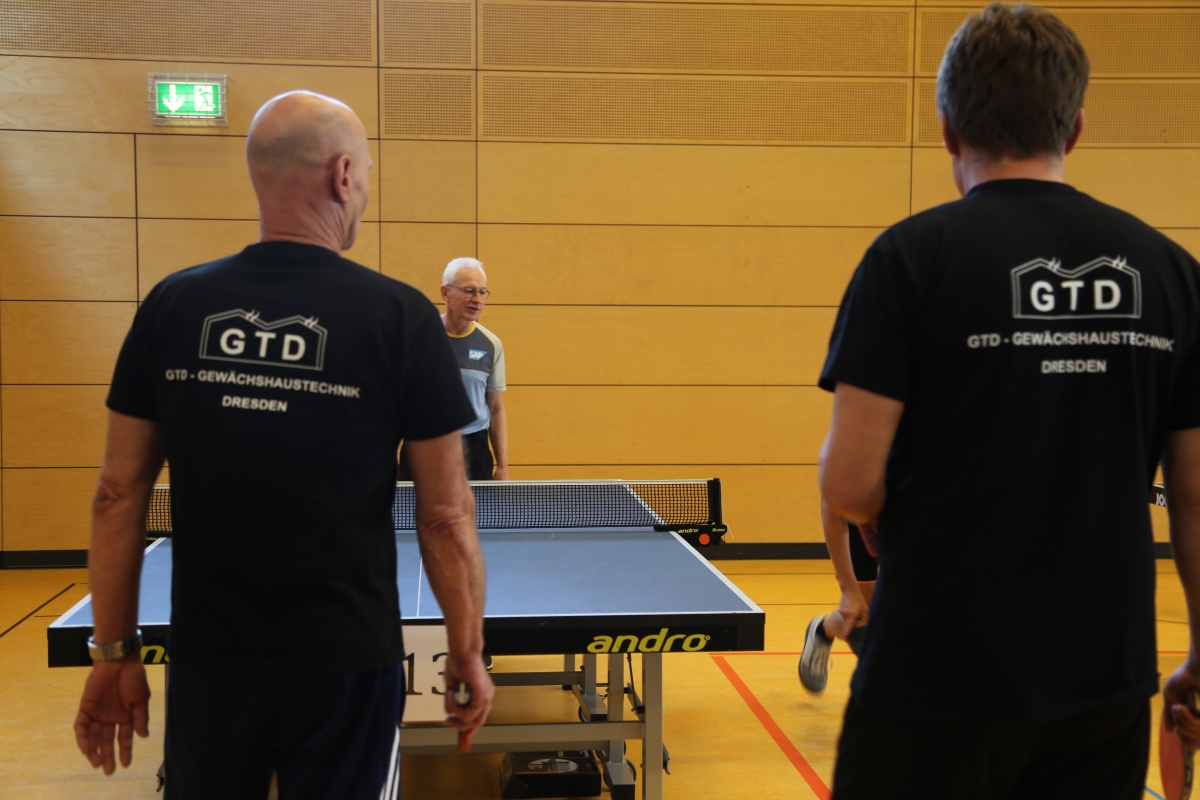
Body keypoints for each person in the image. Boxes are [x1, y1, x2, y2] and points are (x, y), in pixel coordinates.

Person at [817, 5, 1200, 798]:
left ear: (948, 129)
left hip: (935, 675)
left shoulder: (908, 259)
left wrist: (882, 505)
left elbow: (848, 484)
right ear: (1077, 126)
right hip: (1105, 676)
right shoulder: (1169, 271)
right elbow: (1196, 496)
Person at [72, 91, 495, 798]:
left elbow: (116, 494)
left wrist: (114, 652)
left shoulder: (173, 304)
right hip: (346, 663)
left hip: (210, 662)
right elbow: (446, 515)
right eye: (367, 173)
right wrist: (466, 649)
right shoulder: (400, 318)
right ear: (342, 175)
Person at [399, 258, 508, 481]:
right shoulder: (418, 338)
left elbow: (496, 409)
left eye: (482, 292)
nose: (477, 299)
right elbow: (397, 402)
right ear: (445, 293)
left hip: (474, 448)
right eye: (469, 291)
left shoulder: (491, 344)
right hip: (424, 444)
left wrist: (503, 466)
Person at [797, 502, 876, 693]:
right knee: (861, 620)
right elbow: (832, 507)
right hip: (862, 523)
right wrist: (849, 589)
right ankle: (823, 630)